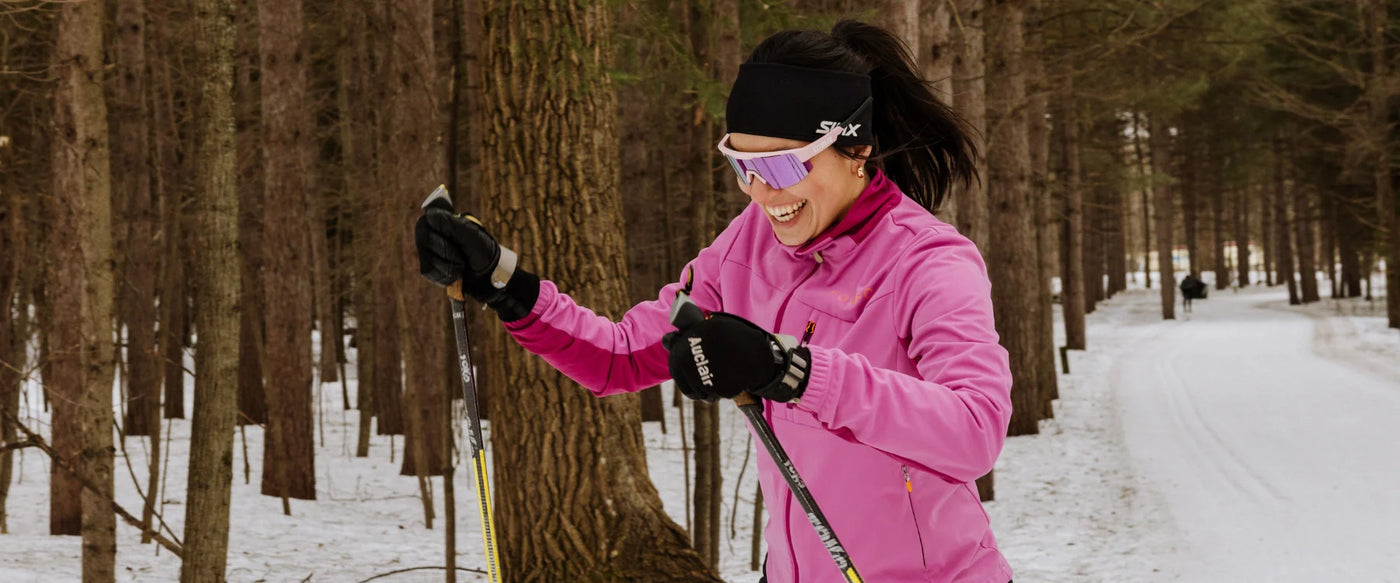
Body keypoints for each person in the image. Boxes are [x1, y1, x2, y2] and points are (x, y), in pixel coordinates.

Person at [416, 20, 1014, 583]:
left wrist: (796, 373)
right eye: (742, 164)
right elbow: (621, 358)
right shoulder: (746, 247)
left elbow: (975, 431)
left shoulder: (928, 261)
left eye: (781, 164)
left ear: (855, 149)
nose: (760, 191)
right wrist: (507, 286)